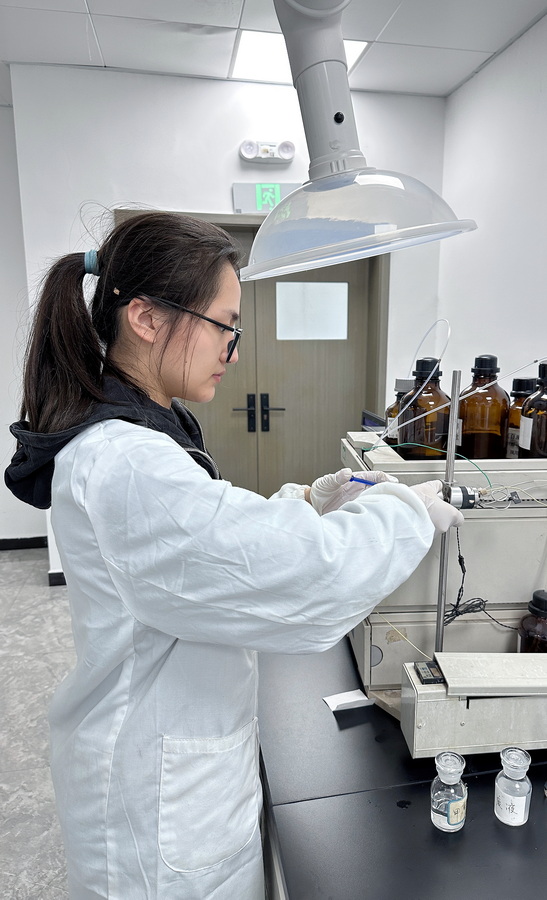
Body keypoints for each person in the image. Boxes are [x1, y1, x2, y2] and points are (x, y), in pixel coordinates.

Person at [4, 212, 463, 900]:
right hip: (157, 801)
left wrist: (309, 503)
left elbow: (213, 539)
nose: (234, 351)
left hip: (176, 751)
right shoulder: (129, 463)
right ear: (146, 318)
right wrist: (403, 512)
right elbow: (304, 578)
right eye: (225, 326)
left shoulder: (140, 435)